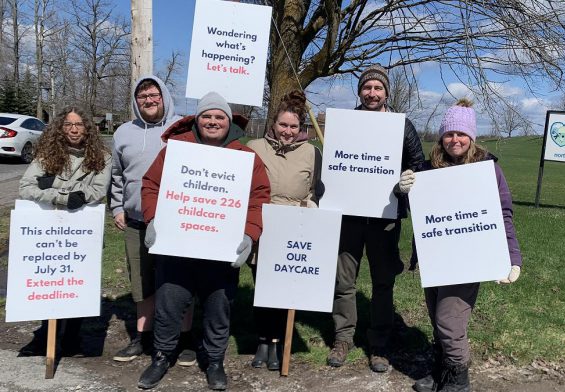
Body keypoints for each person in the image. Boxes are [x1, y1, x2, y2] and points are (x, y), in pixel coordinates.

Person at [137, 92, 271, 390]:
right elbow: (151, 185)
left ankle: (214, 360)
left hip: (221, 250)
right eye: (207, 116)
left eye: (219, 116)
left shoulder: (246, 157)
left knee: (218, 307)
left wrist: (249, 235)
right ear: (197, 120)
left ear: (228, 121)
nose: (212, 121)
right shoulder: (176, 150)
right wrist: (153, 218)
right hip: (177, 247)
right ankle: (161, 356)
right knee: (169, 304)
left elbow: (258, 198)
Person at [407, 99, 523, 392]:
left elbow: (503, 212)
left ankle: (458, 382)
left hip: (469, 258)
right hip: (437, 258)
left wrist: (512, 256)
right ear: (441, 136)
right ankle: (442, 372)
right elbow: (422, 215)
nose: (454, 139)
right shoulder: (426, 168)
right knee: (437, 318)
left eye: (461, 134)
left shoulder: (487, 168)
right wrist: (403, 189)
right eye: (449, 134)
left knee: (450, 321)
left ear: (471, 137)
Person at [327, 64, 425, 372]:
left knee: (383, 281)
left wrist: (405, 182)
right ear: (360, 92)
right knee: (343, 280)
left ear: (386, 93)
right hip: (349, 217)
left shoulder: (401, 125)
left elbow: (418, 162)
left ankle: (379, 343)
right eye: (367, 87)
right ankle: (343, 338)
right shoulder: (346, 123)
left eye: (378, 88)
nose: (372, 93)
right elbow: (334, 162)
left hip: (385, 216)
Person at [110, 75, 196, 365]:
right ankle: (142, 339)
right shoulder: (123, 132)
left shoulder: (183, 128)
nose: (148, 100)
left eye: (153, 94)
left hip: (176, 222)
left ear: (164, 97)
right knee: (142, 283)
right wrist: (117, 207)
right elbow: (117, 176)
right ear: (136, 101)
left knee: (180, 282)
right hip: (136, 220)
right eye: (142, 96)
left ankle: (184, 341)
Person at [17, 106, 111, 357]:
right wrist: (61, 196)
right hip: (49, 231)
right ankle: (45, 336)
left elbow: (98, 190)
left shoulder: (102, 156)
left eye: (78, 124)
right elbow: (26, 186)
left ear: (87, 127)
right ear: (60, 128)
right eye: (68, 125)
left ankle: (72, 338)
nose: (73, 129)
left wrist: (55, 185)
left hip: (82, 230)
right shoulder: (47, 154)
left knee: (78, 282)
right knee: (51, 281)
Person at [246, 90, 322, 371]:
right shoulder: (254, 147)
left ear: (301, 127)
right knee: (261, 286)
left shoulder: (312, 153)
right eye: (283, 125)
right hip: (262, 223)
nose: (288, 131)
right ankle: (262, 340)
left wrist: (311, 206)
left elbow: (316, 190)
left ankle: (278, 341)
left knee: (282, 289)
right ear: (273, 124)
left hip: (293, 227)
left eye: (294, 126)